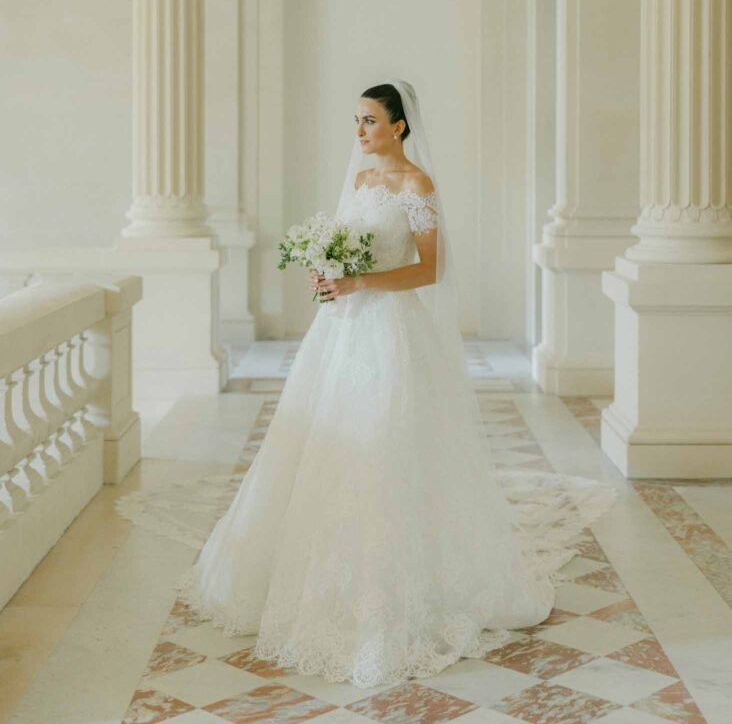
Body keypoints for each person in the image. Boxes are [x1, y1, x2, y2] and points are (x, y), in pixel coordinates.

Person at [116, 79, 617, 689]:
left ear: (399, 126)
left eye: (370, 121)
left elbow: (430, 269)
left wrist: (359, 283)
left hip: (392, 332)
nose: (359, 133)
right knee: (326, 442)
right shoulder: (357, 181)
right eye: (355, 121)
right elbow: (343, 250)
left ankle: (396, 591)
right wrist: (326, 275)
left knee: (386, 445)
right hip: (343, 329)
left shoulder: (417, 185)